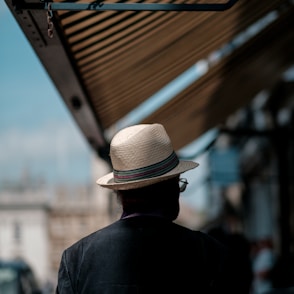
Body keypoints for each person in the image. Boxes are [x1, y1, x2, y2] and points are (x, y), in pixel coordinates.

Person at [56, 123, 229, 293]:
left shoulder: (77, 260)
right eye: (179, 185)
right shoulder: (208, 253)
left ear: (120, 193)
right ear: (169, 189)